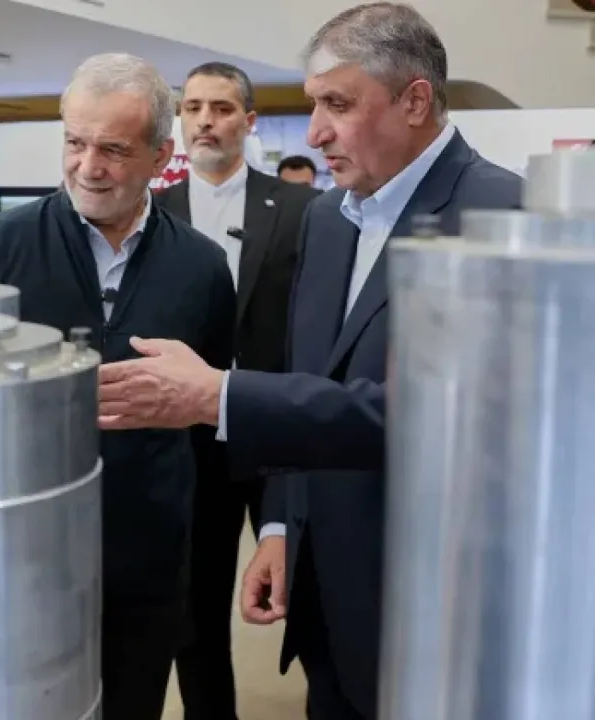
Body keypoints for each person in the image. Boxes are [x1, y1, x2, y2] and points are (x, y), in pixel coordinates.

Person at [95, 5, 522, 718]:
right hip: (326, 602)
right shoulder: (328, 217)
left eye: (338, 105)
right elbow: (312, 379)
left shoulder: (504, 218)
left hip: (430, 608)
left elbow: (445, 417)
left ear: (415, 101)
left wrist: (217, 396)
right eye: (315, 104)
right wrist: (282, 526)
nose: (316, 131)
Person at [0, 54, 234, 720]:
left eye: (113, 150)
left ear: (161, 156)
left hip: (148, 563)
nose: (88, 167)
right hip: (21, 558)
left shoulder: (201, 267)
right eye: (75, 143)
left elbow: (212, 427)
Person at [155, 60, 320, 720]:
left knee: (309, 594)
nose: (205, 121)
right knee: (195, 616)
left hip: (278, 426)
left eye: (221, 108)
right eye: (193, 107)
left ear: (249, 121)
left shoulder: (303, 210)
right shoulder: (154, 212)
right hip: (192, 439)